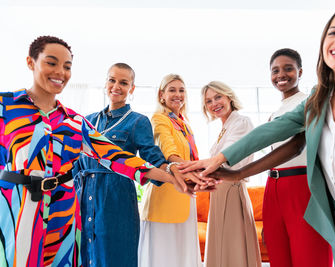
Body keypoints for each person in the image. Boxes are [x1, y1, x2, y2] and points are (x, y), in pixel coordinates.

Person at [180, 3, 335, 266]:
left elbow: (295, 147)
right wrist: (222, 161)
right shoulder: (319, 99)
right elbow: (274, 130)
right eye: (333, 32)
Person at [0, 36, 195, 267]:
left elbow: (120, 158)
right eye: (51, 63)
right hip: (19, 206)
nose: (60, 72)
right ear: (31, 62)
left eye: (67, 66)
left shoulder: (74, 121)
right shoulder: (6, 106)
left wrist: (173, 177)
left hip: (65, 210)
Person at [73, 63, 183, 266]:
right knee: (85, 255)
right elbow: (74, 163)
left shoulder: (137, 121)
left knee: (116, 255)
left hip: (117, 198)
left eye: (124, 83)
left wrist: (172, 172)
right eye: (112, 80)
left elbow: (153, 157)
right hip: (83, 196)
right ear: (106, 83)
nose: (116, 86)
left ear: (131, 88)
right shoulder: (86, 121)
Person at [259, 49, 331, 266]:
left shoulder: (310, 101)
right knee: (279, 255)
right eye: (275, 70)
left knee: (309, 254)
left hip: (301, 183)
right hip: (273, 185)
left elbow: (298, 146)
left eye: (288, 68)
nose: (281, 74)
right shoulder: (276, 111)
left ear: (300, 71)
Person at [139, 74, 202, 267]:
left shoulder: (184, 124)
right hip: (165, 195)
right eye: (172, 90)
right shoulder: (159, 119)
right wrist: (183, 166)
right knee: (163, 257)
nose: (178, 94)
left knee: (182, 255)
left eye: (181, 90)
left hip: (185, 194)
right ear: (161, 95)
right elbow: (168, 151)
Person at [201, 81, 261, 267]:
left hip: (231, 190)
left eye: (218, 97)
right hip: (220, 191)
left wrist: (192, 168)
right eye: (209, 101)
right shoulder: (226, 127)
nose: (214, 104)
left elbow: (226, 159)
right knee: (221, 247)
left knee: (233, 248)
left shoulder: (241, 122)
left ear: (229, 97)